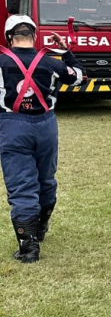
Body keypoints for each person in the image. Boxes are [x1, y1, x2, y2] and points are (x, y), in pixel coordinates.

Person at [0, 15, 85, 263]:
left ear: (9, 37)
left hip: (12, 125)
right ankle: (41, 227)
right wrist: (67, 51)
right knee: (45, 179)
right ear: (34, 36)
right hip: (46, 125)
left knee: (21, 185)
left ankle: (29, 247)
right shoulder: (50, 63)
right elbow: (79, 76)